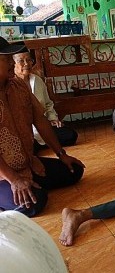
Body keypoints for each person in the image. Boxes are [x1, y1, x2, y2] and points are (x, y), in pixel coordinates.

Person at [0, 37, 85, 217]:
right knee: (33, 204)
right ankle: (13, 189)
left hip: (28, 163)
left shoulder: (19, 86)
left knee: (74, 171)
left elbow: (40, 120)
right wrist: (14, 179)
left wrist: (61, 154)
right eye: (6, 59)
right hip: (3, 175)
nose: (11, 63)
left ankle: (27, 183)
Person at [13, 49, 79, 154]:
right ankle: (40, 145)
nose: (26, 64)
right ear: (13, 64)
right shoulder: (11, 85)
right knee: (24, 146)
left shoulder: (37, 80)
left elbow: (48, 103)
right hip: (25, 131)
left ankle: (41, 144)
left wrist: (53, 119)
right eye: (21, 61)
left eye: (29, 60)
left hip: (44, 127)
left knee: (70, 135)